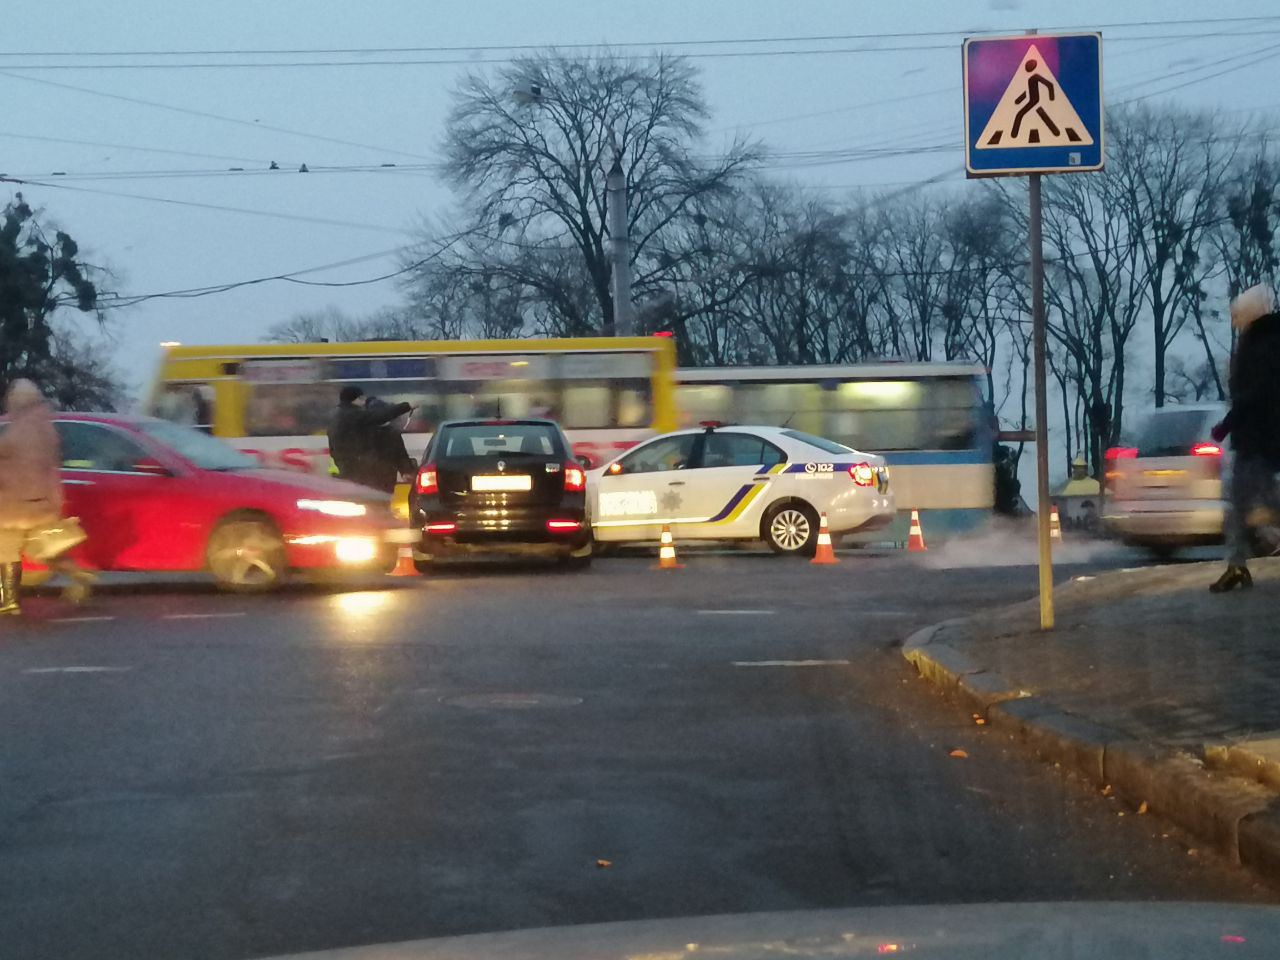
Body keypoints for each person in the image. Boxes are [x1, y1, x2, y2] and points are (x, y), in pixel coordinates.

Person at [0, 379, 95, 614]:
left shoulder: (22, 428)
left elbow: (17, 459)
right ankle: (78, 573)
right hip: (41, 501)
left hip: (15, 502)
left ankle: (10, 601)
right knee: (42, 549)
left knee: (6, 547)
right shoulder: (45, 426)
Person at [1209, 283, 1280, 593]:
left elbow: (1254, 394)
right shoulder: (1262, 341)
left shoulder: (1262, 346)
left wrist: (1228, 423)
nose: (1235, 320)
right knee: (1241, 504)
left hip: (1258, 439)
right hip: (1257, 438)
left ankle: (1237, 566)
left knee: (1256, 502)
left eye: (1238, 313)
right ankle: (1236, 566)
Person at [326, 385, 411, 490]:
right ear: (356, 399)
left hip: (346, 470)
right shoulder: (354, 415)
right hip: (367, 473)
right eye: (362, 398)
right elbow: (382, 416)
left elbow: (333, 449)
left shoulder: (336, 417)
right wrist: (407, 406)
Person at [362, 396, 417, 494]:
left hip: (364, 478)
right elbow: (401, 455)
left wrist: (406, 471)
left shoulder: (361, 431)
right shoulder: (391, 432)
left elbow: (400, 455)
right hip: (384, 477)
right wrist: (406, 471)